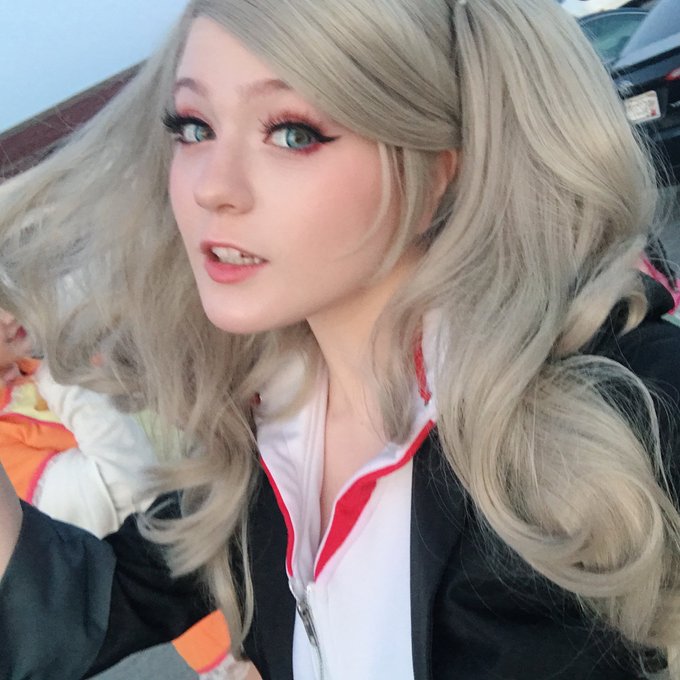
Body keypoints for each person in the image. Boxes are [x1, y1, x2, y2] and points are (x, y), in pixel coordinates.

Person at [0, 0, 679, 678]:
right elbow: (73, 612)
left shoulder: (634, 402)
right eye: (194, 126)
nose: (212, 188)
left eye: (292, 133)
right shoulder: (269, 431)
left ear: (442, 166)